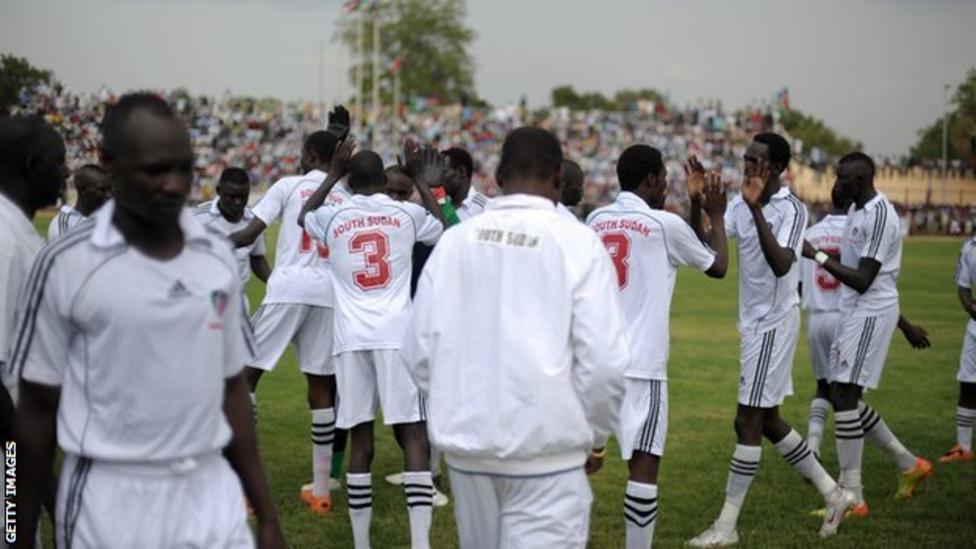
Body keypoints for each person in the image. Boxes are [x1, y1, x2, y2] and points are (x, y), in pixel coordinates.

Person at [11, 92, 284, 549]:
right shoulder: (64, 264)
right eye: (155, 170)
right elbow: (35, 413)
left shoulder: (216, 255)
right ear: (109, 163)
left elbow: (232, 388)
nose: (174, 185)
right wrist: (14, 528)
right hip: (110, 499)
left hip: (210, 491)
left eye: (183, 168)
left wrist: (269, 518)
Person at [402, 127, 629, 548]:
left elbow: (417, 351)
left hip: (470, 452)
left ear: (499, 176)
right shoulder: (578, 243)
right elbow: (605, 363)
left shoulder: (455, 242)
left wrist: (462, 407)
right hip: (548, 452)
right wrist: (595, 439)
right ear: (558, 177)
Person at [689, 133, 854, 547]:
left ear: (778, 168)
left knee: (746, 420)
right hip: (754, 324)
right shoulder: (747, 202)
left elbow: (783, 264)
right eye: (746, 159)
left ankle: (726, 527)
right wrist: (704, 208)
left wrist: (754, 207)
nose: (748, 167)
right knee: (769, 421)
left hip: (773, 323)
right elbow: (710, 252)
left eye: (756, 162)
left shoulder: (792, 209)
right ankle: (835, 494)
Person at [299, 142, 444, 549]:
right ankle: (420, 543)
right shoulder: (405, 212)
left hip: (350, 339)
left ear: (349, 179)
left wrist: (330, 174)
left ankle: (361, 543)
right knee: (413, 435)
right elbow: (443, 229)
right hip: (397, 335)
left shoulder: (331, 216)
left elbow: (301, 216)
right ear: (384, 181)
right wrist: (417, 177)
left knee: (361, 437)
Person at [587, 147, 728, 549]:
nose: (666, 185)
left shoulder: (595, 219)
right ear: (650, 180)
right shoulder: (663, 224)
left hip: (596, 362)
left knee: (573, 462)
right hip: (642, 366)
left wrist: (695, 203)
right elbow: (717, 265)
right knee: (643, 467)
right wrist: (714, 213)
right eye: (663, 178)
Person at [802, 152, 933, 514]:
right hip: (855, 311)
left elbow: (865, 281)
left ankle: (853, 496)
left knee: (844, 394)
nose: (837, 183)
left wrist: (817, 256)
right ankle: (908, 464)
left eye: (843, 178)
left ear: (860, 180)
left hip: (868, 311)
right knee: (844, 395)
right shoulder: (858, 211)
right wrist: (905, 326)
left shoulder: (879, 215)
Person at [229, 121, 349, 515]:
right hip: (328, 293)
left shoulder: (287, 185)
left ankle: (245, 493)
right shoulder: (344, 194)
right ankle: (321, 492)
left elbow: (249, 235)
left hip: (290, 286)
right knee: (320, 390)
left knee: (246, 378)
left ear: (310, 157)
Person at [0, 114, 67, 548]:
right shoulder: (6, 242)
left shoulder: (20, 235)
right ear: (32, 164)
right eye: (59, 162)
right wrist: (32, 483)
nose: (66, 173)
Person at [800, 186, 849, 458]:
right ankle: (847, 466)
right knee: (849, 395)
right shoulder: (854, 234)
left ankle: (813, 446)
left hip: (816, 318)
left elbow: (798, 283)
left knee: (822, 385)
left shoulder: (810, 233)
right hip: (845, 317)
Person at [193, 167, 271, 298]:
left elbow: (256, 258)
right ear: (219, 191)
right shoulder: (198, 219)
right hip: (202, 300)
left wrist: (275, 284)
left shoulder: (254, 222)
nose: (238, 202)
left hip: (237, 302)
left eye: (243, 196)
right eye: (232, 196)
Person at [945, 234, 976, 463]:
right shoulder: (970, 247)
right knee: (967, 383)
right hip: (975, 328)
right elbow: (963, 287)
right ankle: (963, 447)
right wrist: (971, 306)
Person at [47, 163, 111, 239]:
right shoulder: (65, 223)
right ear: (83, 190)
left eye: (110, 190)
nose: (109, 195)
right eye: (102, 190)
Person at [442, 146, 486, 221]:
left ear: (462, 171)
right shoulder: (441, 204)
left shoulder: (484, 208)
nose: (439, 178)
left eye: (444, 172)